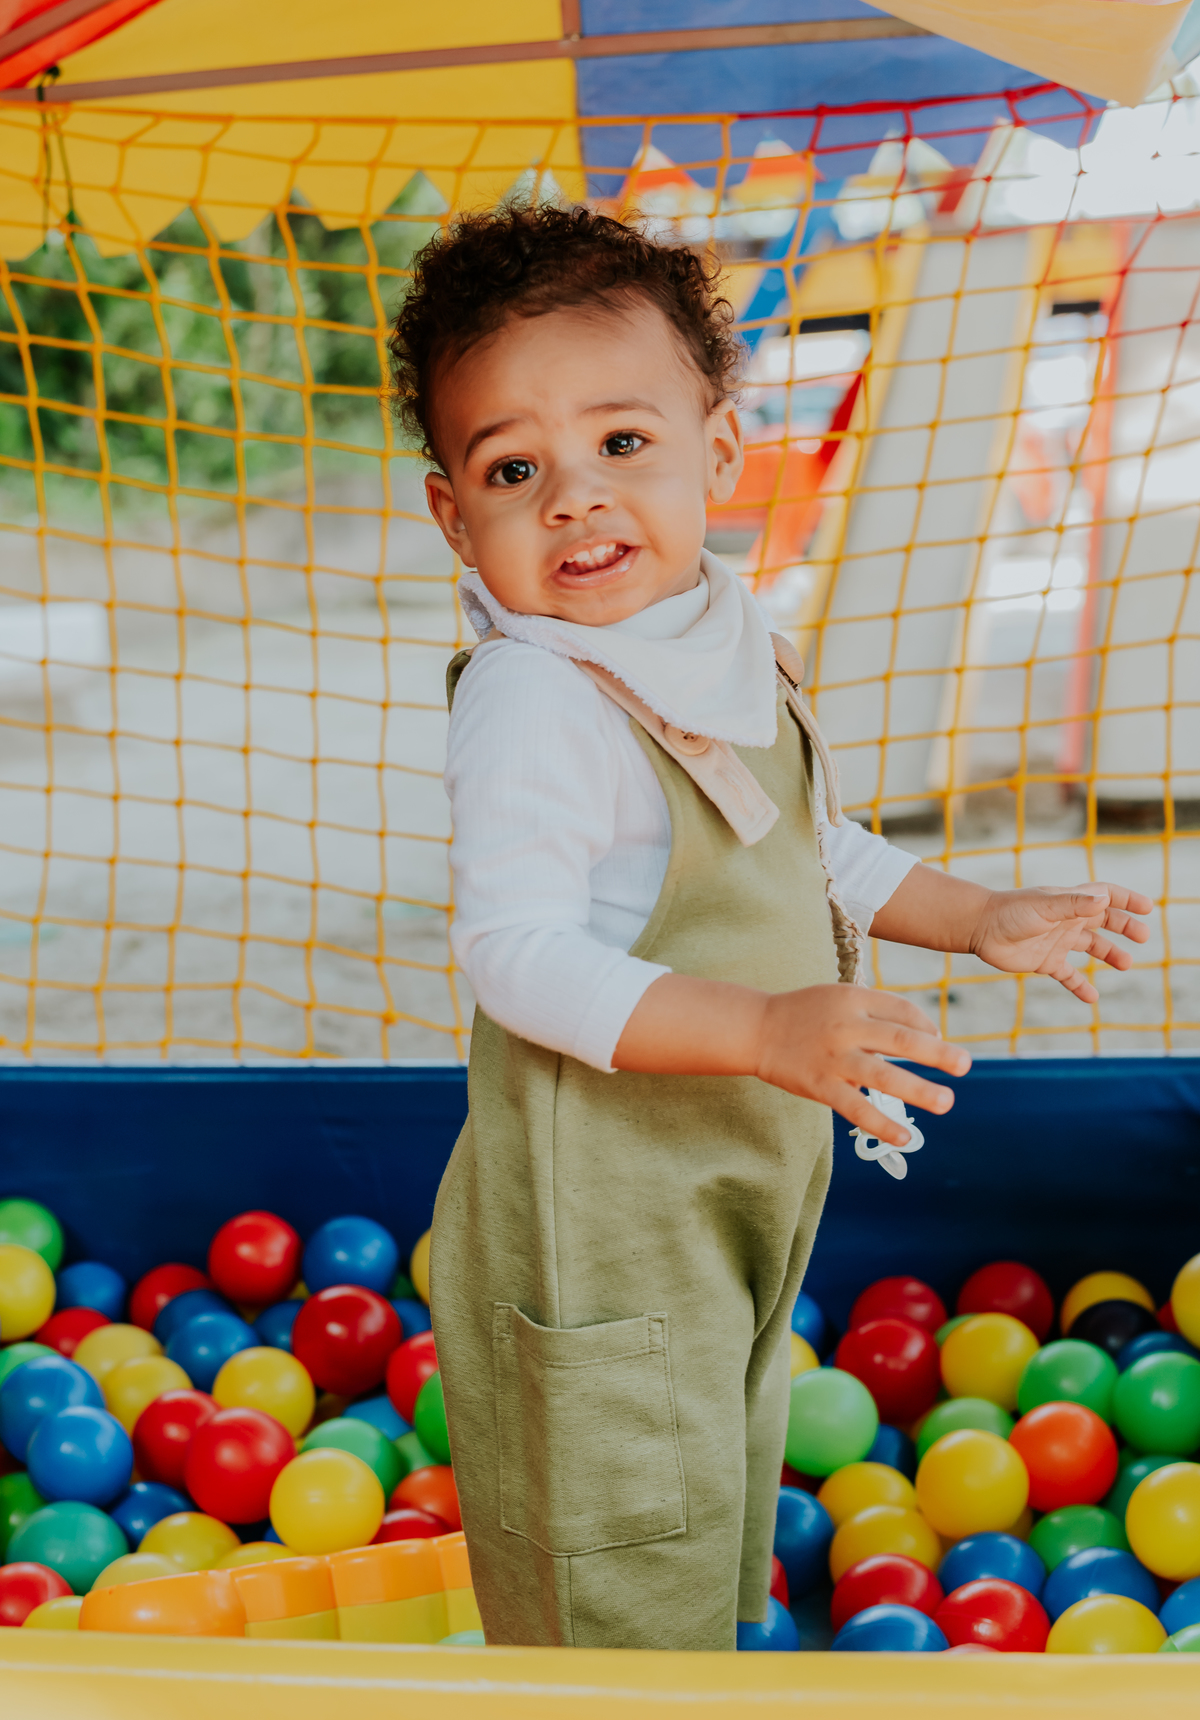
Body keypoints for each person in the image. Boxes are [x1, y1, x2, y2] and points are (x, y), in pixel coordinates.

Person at [388, 203, 1152, 1651]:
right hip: (597, 1246)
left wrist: (978, 914)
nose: (575, 499)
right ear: (453, 513)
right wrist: (759, 1025)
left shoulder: (720, 633)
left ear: (721, 454)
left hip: (723, 1210)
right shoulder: (539, 694)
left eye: (623, 444)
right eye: (514, 468)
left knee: (706, 1543)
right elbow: (514, 954)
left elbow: (807, 849)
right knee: (616, 1590)